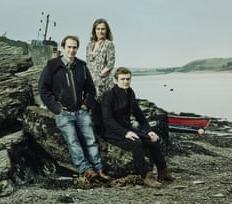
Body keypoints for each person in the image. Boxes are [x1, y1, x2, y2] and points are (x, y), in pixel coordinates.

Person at [38, 35, 110, 183]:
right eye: (69, 47)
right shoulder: (52, 66)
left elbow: (91, 89)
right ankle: (86, 170)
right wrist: (56, 107)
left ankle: (99, 170)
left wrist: (87, 104)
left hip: (81, 112)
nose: (72, 50)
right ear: (63, 48)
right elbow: (43, 89)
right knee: (73, 141)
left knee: (91, 140)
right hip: (63, 113)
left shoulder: (82, 66)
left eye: (74, 47)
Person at [101, 67, 174, 188]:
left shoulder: (130, 93)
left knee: (153, 139)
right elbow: (108, 120)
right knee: (137, 143)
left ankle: (163, 171)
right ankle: (146, 176)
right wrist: (125, 133)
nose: (126, 82)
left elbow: (139, 115)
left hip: (128, 129)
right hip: (113, 132)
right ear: (115, 80)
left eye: (128, 79)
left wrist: (149, 131)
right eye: (122, 79)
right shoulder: (109, 96)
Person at [86, 18, 115, 135]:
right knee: (93, 112)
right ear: (94, 30)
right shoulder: (89, 45)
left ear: (106, 30)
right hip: (91, 82)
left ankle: (107, 135)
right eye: (98, 29)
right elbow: (87, 64)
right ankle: (96, 135)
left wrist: (99, 77)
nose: (100, 31)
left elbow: (110, 63)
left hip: (103, 83)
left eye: (103, 29)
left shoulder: (109, 44)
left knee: (104, 111)